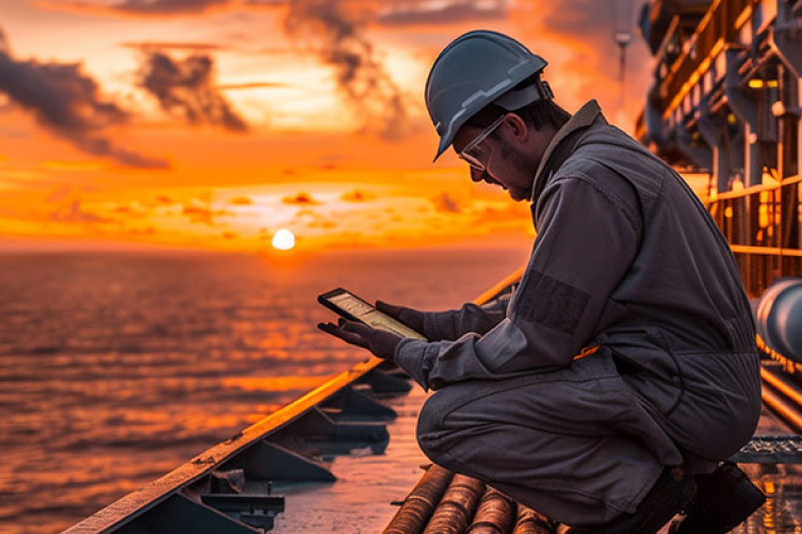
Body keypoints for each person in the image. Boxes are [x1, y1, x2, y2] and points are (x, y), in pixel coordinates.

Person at [319, 30, 765, 534]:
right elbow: (544, 307)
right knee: (485, 389)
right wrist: (427, 325)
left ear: (512, 126)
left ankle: (641, 494)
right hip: (697, 387)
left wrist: (412, 355)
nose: (478, 177)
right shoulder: (600, 158)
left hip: (687, 396)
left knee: (448, 419)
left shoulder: (585, 183)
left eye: (474, 156)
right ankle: (705, 484)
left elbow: (535, 342)